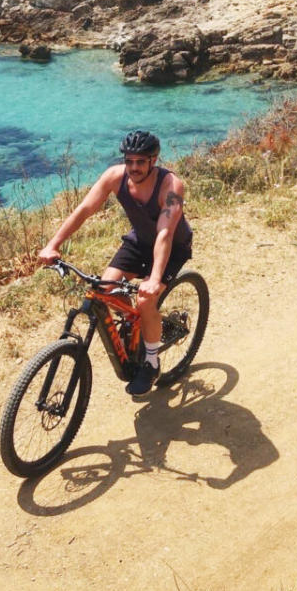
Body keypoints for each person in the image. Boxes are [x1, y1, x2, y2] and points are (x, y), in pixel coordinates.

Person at [38, 130, 192, 395]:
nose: (133, 167)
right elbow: (84, 210)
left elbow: (165, 233)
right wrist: (54, 244)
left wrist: (154, 279)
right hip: (138, 242)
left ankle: (151, 362)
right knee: (104, 290)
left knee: (146, 301)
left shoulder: (171, 186)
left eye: (140, 162)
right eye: (129, 161)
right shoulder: (114, 177)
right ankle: (139, 324)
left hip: (172, 248)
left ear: (153, 160)